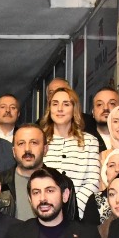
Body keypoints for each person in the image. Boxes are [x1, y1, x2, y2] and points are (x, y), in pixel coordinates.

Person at [40, 86, 99, 219]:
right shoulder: (39, 140)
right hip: (44, 212)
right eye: (55, 104)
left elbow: (92, 182)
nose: (60, 109)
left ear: (74, 109)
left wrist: (72, 209)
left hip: (77, 216)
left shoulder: (90, 141)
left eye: (66, 104)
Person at [3, 124, 47, 221]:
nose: (27, 149)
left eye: (34, 143)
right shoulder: (0, 183)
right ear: (13, 151)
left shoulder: (61, 183)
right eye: (21, 143)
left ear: (45, 149)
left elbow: (71, 226)